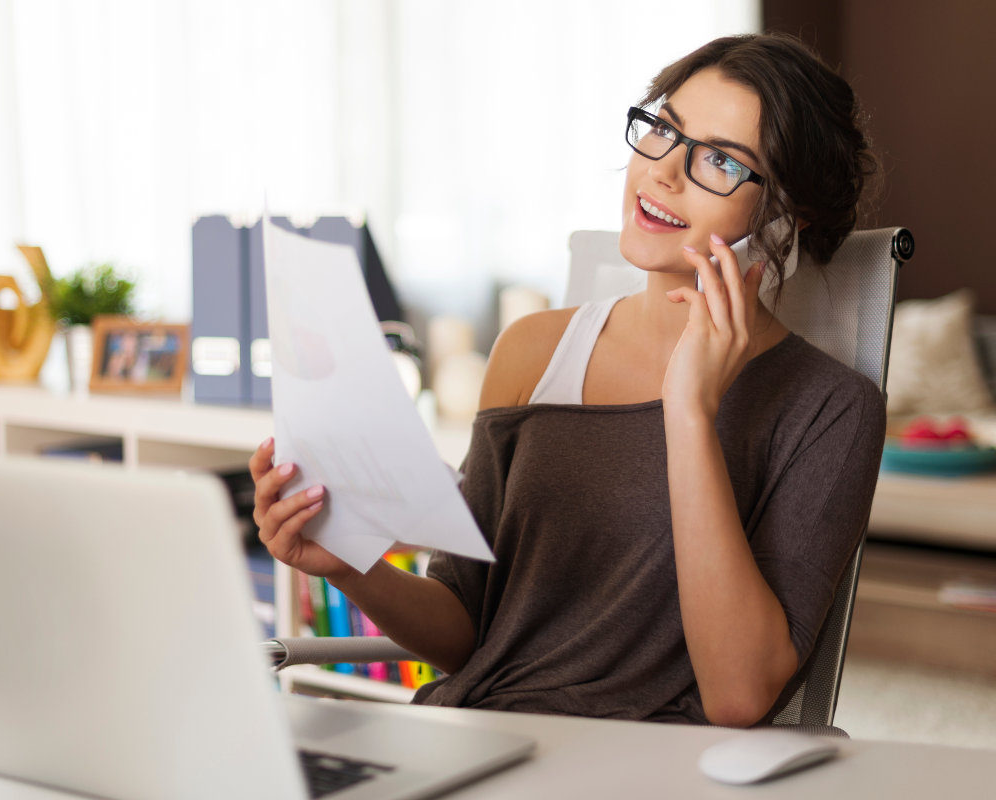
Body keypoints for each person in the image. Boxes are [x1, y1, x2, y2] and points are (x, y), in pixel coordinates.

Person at [250, 33, 885, 728]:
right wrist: (343, 562)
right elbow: (466, 631)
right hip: (479, 738)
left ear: (788, 217)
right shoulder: (531, 351)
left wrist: (690, 411)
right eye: (664, 131)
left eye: (720, 161)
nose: (664, 173)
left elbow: (739, 696)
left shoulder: (833, 409)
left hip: (647, 768)